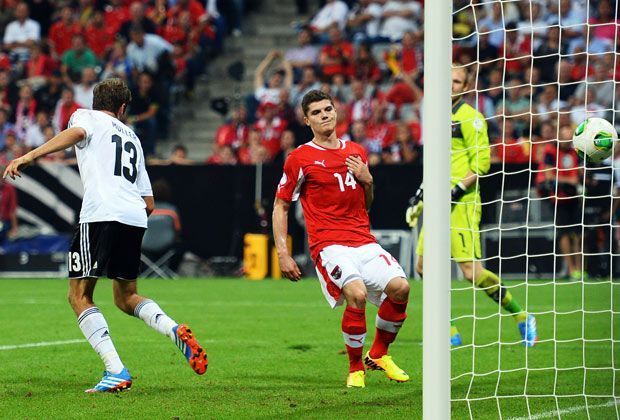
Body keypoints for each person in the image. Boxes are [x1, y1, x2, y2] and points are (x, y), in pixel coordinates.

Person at [3, 78, 207, 393]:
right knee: (125, 298)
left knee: (78, 295)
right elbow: (149, 202)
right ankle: (173, 329)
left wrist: (30, 156)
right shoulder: (134, 138)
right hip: (134, 217)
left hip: (100, 215)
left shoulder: (86, 116)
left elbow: (77, 133)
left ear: (96, 101)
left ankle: (116, 370)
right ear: (123, 108)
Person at [273, 90, 410, 389]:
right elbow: (281, 205)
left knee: (401, 288)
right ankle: (355, 367)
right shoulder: (300, 157)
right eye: (318, 112)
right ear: (307, 120)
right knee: (357, 294)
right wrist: (283, 252)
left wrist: (368, 180)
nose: (325, 115)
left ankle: (379, 354)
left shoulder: (357, 152)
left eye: (328, 109)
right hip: (329, 245)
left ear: (336, 112)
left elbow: (367, 203)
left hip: (362, 239)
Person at [405, 65, 538, 347]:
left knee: (470, 273)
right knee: (422, 267)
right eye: (447, 80)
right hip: (440, 200)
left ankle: (522, 315)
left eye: (456, 81)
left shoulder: (471, 118)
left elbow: (482, 164)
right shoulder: (437, 115)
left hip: (462, 203)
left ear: (465, 86)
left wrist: (455, 190)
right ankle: (448, 330)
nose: (451, 85)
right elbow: (439, 163)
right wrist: (421, 193)